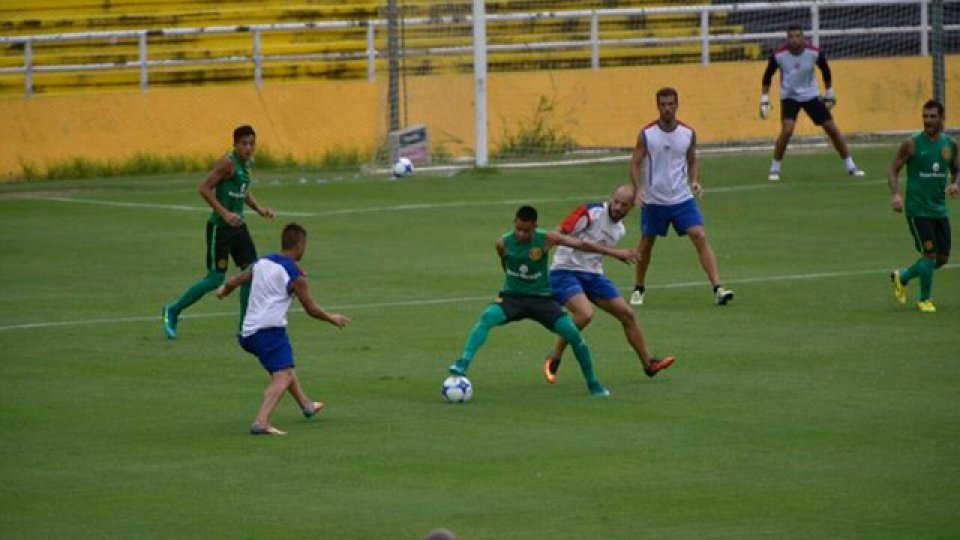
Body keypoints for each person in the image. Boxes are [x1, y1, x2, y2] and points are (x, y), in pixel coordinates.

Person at [447, 205, 641, 396]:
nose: (522, 235)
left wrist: (615, 253)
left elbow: (582, 245)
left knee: (573, 334)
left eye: (527, 231)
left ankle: (593, 384)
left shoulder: (547, 239)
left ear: (535, 226)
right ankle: (462, 364)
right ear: (514, 224)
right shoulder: (502, 243)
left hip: (541, 300)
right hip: (513, 298)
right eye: (519, 230)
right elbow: (505, 264)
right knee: (487, 317)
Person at [217, 223, 351, 435]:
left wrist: (224, 289)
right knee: (283, 376)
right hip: (268, 332)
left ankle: (306, 405)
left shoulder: (263, 261)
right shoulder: (295, 275)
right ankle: (261, 421)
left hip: (248, 332)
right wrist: (331, 318)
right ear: (301, 245)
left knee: (285, 368)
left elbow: (237, 280)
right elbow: (311, 309)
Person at [543, 184, 676, 384]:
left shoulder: (619, 230)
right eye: (616, 202)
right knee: (585, 314)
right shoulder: (589, 212)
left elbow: (594, 253)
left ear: (631, 207)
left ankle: (649, 364)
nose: (617, 207)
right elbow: (558, 232)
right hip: (564, 271)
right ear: (610, 198)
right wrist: (539, 251)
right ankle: (555, 355)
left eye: (624, 205)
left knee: (628, 315)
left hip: (593, 276)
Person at [162, 125, 275, 339]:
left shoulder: (245, 164)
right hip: (220, 228)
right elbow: (204, 189)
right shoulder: (227, 163)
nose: (248, 148)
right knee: (215, 280)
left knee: (251, 273)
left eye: (252, 143)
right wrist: (224, 214)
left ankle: (244, 327)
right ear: (234, 144)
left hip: (238, 227)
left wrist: (259, 209)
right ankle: (173, 310)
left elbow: (242, 191)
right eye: (244, 143)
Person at [628, 87, 735, 307]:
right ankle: (639, 287)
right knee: (647, 243)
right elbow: (635, 162)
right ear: (657, 106)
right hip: (655, 199)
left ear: (677, 105)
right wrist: (638, 188)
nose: (667, 108)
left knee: (700, 236)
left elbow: (692, 159)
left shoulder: (688, 133)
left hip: (681, 198)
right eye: (663, 104)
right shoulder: (646, 134)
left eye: (670, 104)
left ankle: (718, 288)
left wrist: (694, 180)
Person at [760, 24, 865, 182]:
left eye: (797, 36)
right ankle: (774, 168)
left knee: (831, 128)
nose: (794, 40)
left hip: (811, 95)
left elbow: (825, 70)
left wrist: (829, 92)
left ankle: (851, 166)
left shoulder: (814, 53)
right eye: (791, 36)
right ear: (787, 38)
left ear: (803, 38)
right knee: (787, 130)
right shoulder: (778, 55)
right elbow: (767, 76)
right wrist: (765, 99)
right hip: (789, 96)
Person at [888, 99, 959, 313]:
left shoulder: (950, 145)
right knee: (929, 254)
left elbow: (957, 169)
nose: (928, 120)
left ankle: (903, 276)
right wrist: (896, 195)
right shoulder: (911, 144)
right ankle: (924, 300)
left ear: (942, 119)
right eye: (925, 116)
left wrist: (956, 184)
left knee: (942, 258)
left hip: (939, 209)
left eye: (932, 116)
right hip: (917, 209)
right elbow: (893, 169)